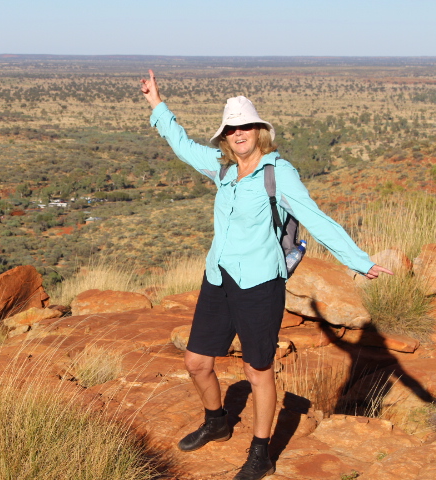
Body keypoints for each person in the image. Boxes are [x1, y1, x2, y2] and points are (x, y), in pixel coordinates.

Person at [139, 70, 393, 480]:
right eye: (232, 129)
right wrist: (156, 102)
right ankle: (217, 421)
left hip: (259, 283)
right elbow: (183, 145)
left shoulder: (279, 173)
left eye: (246, 127)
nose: (239, 134)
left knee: (257, 370)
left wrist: (358, 260)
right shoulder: (222, 169)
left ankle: (261, 453)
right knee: (197, 361)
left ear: (260, 131)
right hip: (218, 277)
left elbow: (316, 218)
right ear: (225, 136)